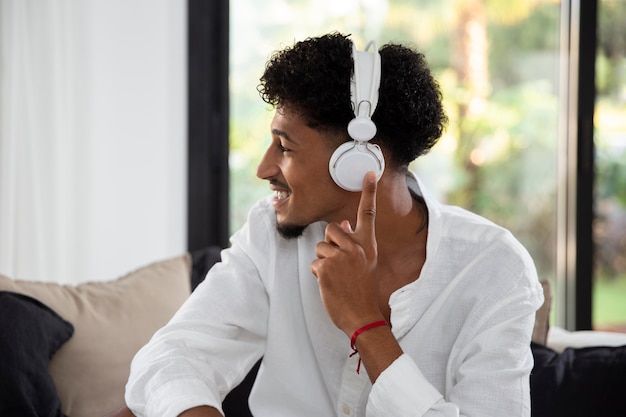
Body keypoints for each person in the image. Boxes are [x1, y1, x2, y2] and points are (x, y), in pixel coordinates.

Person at [110, 32, 543, 417]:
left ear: (359, 162)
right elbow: (172, 356)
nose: (263, 168)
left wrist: (363, 322)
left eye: (285, 146)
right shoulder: (270, 234)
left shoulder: (495, 270)